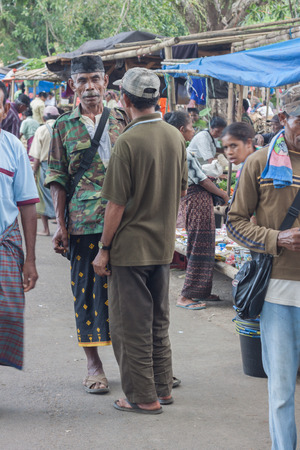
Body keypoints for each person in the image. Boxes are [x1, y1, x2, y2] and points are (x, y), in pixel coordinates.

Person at [92, 67, 188, 414]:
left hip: (131, 249)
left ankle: (142, 397)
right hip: (162, 245)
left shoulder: (128, 141)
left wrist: (104, 249)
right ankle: (162, 388)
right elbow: (182, 188)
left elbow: (115, 204)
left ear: (124, 100)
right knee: (157, 322)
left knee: (130, 326)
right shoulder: (175, 136)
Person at [45, 55, 128, 394]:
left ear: (106, 82)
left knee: (129, 296)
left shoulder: (123, 120)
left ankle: (139, 363)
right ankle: (94, 366)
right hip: (82, 226)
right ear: (73, 86)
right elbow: (56, 178)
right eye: (83, 81)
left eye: (96, 79)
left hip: (125, 223)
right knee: (87, 297)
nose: (91, 87)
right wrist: (61, 225)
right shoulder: (63, 126)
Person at [226, 84, 300, 450]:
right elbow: (235, 221)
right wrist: (277, 239)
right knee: (282, 387)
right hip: (279, 292)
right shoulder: (260, 162)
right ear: (284, 119)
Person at [165, 112, 229, 309]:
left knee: (205, 244)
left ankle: (201, 291)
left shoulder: (173, 147)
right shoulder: (179, 150)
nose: (194, 130)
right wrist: (224, 195)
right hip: (197, 199)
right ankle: (186, 295)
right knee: (199, 245)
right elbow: (201, 179)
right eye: (191, 126)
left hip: (194, 199)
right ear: (182, 129)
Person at [0, 80, 39, 371]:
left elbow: (27, 203)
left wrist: (31, 260)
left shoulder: (11, 146)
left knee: (10, 314)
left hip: (5, 241)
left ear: (4, 112)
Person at [29, 106, 59, 236]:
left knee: (42, 198)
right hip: (60, 167)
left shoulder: (41, 130)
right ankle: (61, 227)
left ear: (44, 117)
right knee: (59, 196)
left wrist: (33, 172)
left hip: (45, 167)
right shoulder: (61, 127)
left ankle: (46, 229)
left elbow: (36, 155)